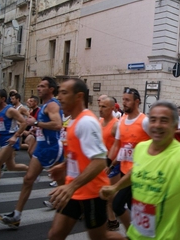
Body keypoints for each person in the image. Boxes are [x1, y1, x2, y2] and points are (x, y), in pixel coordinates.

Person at [100, 100, 180, 239]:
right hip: (137, 234)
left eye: (164, 120)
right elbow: (136, 172)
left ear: (174, 125)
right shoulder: (141, 148)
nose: (157, 125)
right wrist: (115, 187)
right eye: (153, 120)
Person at [45, 78, 124, 240]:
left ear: (78, 97)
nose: (59, 97)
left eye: (64, 93)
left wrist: (71, 186)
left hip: (92, 193)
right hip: (74, 191)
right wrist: (64, 166)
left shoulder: (87, 122)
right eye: (59, 92)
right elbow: (79, 153)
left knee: (99, 237)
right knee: (55, 235)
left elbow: (99, 161)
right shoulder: (74, 120)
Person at [0, 77, 63, 228]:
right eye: (38, 86)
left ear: (51, 89)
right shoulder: (46, 104)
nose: (38, 88)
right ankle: (16, 215)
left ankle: (82, 205)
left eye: (42, 86)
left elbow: (58, 125)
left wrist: (37, 123)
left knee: (62, 182)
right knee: (28, 180)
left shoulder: (52, 105)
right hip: (42, 146)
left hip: (51, 148)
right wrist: (37, 127)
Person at [107, 88, 150, 231]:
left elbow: (156, 144)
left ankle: (133, 233)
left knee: (117, 204)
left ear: (137, 102)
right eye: (123, 99)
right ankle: (141, 231)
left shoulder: (145, 122)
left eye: (127, 100)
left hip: (140, 174)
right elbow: (117, 145)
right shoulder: (122, 120)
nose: (124, 103)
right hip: (125, 172)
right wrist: (109, 163)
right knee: (133, 206)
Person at [99, 96, 120, 231]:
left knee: (109, 196)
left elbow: (119, 147)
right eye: (100, 106)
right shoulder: (99, 121)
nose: (100, 109)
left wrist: (111, 165)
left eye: (104, 107)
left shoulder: (117, 124)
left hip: (112, 164)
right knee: (102, 193)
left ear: (112, 108)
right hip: (101, 162)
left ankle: (113, 221)